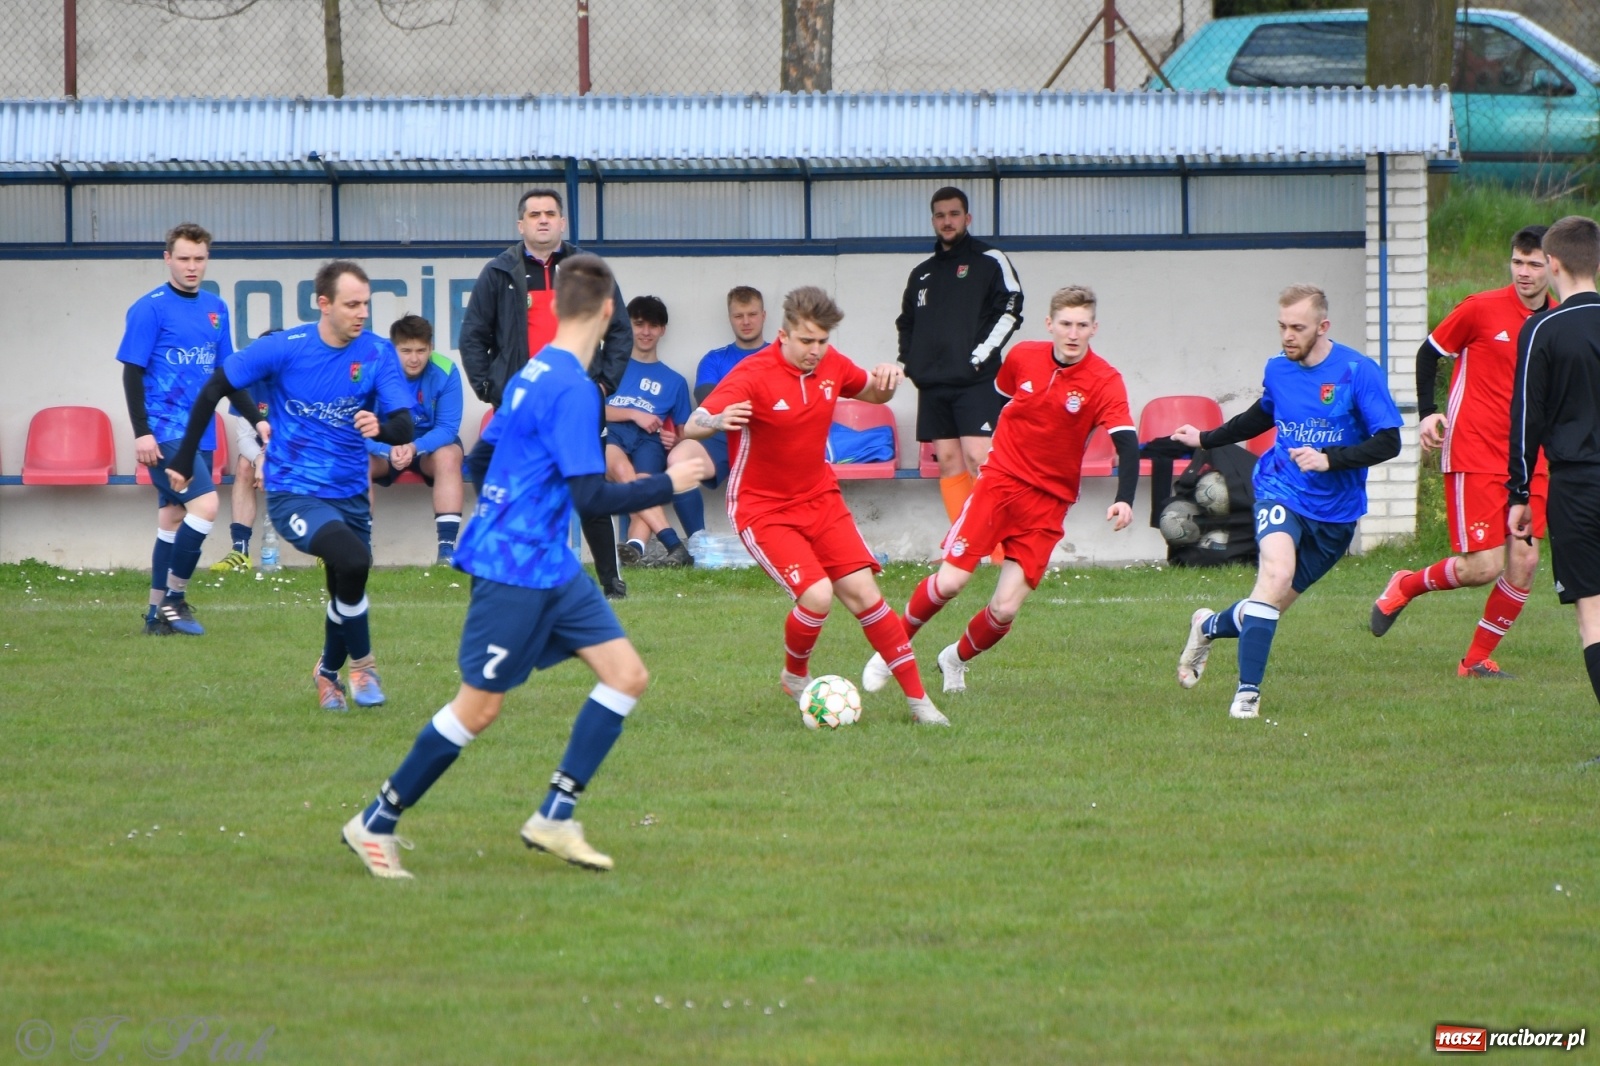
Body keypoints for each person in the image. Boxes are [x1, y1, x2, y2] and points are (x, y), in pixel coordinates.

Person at [340, 254, 711, 880]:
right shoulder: (570, 387)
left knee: (625, 675)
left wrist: (525, 494)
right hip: (514, 569)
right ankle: (375, 821)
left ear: (555, 306)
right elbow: (591, 497)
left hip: (552, 566)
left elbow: (484, 460)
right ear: (607, 311)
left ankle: (555, 816)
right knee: (477, 709)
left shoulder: (533, 371)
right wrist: (667, 481)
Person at [682, 286, 949, 726]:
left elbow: (874, 396)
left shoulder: (832, 365)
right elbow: (693, 424)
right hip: (762, 508)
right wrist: (716, 420)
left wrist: (885, 379)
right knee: (818, 594)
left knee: (867, 595)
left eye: (822, 341)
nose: (815, 351)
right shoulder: (752, 374)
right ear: (784, 335)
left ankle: (920, 703)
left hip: (819, 498)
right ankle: (795, 675)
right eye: (806, 341)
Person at [862, 286, 1141, 693]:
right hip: (1000, 484)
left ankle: (953, 659)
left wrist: (1125, 499)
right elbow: (1000, 398)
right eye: (1065, 323)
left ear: (1094, 328)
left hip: (1049, 502)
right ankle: (891, 651)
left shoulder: (1105, 380)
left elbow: (1127, 442)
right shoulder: (1023, 356)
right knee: (951, 582)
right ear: (1050, 324)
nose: (1073, 333)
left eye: (1082, 325)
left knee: (1005, 608)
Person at [166, 261, 415, 712]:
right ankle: (364, 667)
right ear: (324, 304)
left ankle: (326, 675)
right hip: (293, 490)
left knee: (347, 580)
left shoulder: (377, 353)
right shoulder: (287, 348)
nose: (362, 313)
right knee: (353, 559)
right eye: (352, 304)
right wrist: (184, 456)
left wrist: (382, 426)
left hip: (350, 493)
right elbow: (215, 386)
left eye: (367, 304)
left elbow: (403, 424)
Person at [1172, 284, 1402, 719]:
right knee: (1275, 577)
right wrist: (1205, 438)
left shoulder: (1357, 371)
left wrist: (1330, 459)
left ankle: (1206, 626)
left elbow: (1388, 441)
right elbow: (1262, 413)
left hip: (1336, 515)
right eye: (1282, 326)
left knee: (1268, 603)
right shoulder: (1278, 369)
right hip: (1280, 487)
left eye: (1298, 327)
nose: (1287, 336)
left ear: (1323, 326)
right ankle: (1247, 695)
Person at [1369, 226, 1555, 678]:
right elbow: (1428, 354)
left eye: (1534, 264)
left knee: (1525, 560)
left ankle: (1475, 661)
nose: (1524, 273)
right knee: (1482, 567)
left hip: (1534, 460)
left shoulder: (1561, 319)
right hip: (1476, 450)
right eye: (1517, 262)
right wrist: (1428, 413)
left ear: (1555, 266)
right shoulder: (1480, 308)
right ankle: (1405, 584)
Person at [459, 188, 633, 599]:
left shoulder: (589, 271)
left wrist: (603, 384)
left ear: (562, 223)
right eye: (534, 214)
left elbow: (620, 331)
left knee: (588, 489)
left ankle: (610, 580)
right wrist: (490, 388)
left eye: (550, 213)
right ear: (520, 224)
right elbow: (473, 337)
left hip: (577, 403)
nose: (542, 220)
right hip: (524, 405)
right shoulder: (498, 273)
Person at [116, 222, 247, 635]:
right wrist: (142, 432)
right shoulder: (149, 308)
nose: (192, 267)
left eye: (200, 259)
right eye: (184, 258)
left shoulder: (216, 307)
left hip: (200, 432)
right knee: (205, 507)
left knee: (173, 517)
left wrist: (259, 420)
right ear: (167, 258)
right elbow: (132, 374)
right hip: (164, 432)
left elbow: (226, 375)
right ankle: (175, 597)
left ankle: (155, 618)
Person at [1508, 215, 1600, 709]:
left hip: (1578, 485)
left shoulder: (1542, 327)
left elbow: (1527, 417)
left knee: (1593, 612)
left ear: (1554, 264)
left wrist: (1518, 494)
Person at [896, 186, 1023, 535]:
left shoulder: (990, 259)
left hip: (977, 381)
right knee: (949, 464)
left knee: (980, 461)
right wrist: (912, 363)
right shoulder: (922, 272)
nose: (947, 221)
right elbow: (906, 322)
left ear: (967, 218)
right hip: (934, 383)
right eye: (940, 215)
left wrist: (978, 357)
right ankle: (963, 545)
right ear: (933, 220)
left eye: (954, 214)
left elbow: (1011, 308)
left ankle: (997, 548)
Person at [662, 286, 769, 539]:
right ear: (730, 317)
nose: (746, 322)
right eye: (738, 315)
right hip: (723, 434)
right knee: (679, 461)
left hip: (770, 437)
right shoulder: (715, 359)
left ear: (763, 315)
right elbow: (708, 403)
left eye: (752, 314)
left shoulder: (781, 355)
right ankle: (700, 546)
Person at [367, 314, 465, 565]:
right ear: (392, 349)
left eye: (421, 350)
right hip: (384, 447)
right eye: (406, 350)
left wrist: (414, 447)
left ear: (431, 348)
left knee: (450, 455)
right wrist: (386, 450)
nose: (414, 358)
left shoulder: (445, 370)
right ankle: (360, 548)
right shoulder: (372, 370)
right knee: (356, 459)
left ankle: (446, 552)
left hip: (427, 447)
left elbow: (447, 428)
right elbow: (356, 430)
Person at [606, 296, 693, 568]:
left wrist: (676, 440)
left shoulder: (675, 381)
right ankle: (673, 543)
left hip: (649, 442)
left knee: (644, 487)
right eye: (639, 324)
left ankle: (635, 548)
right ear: (628, 325)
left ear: (662, 330)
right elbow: (589, 409)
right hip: (612, 434)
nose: (645, 332)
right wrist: (634, 413)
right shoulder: (609, 366)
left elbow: (685, 432)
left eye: (653, 325)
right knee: (623, 472)